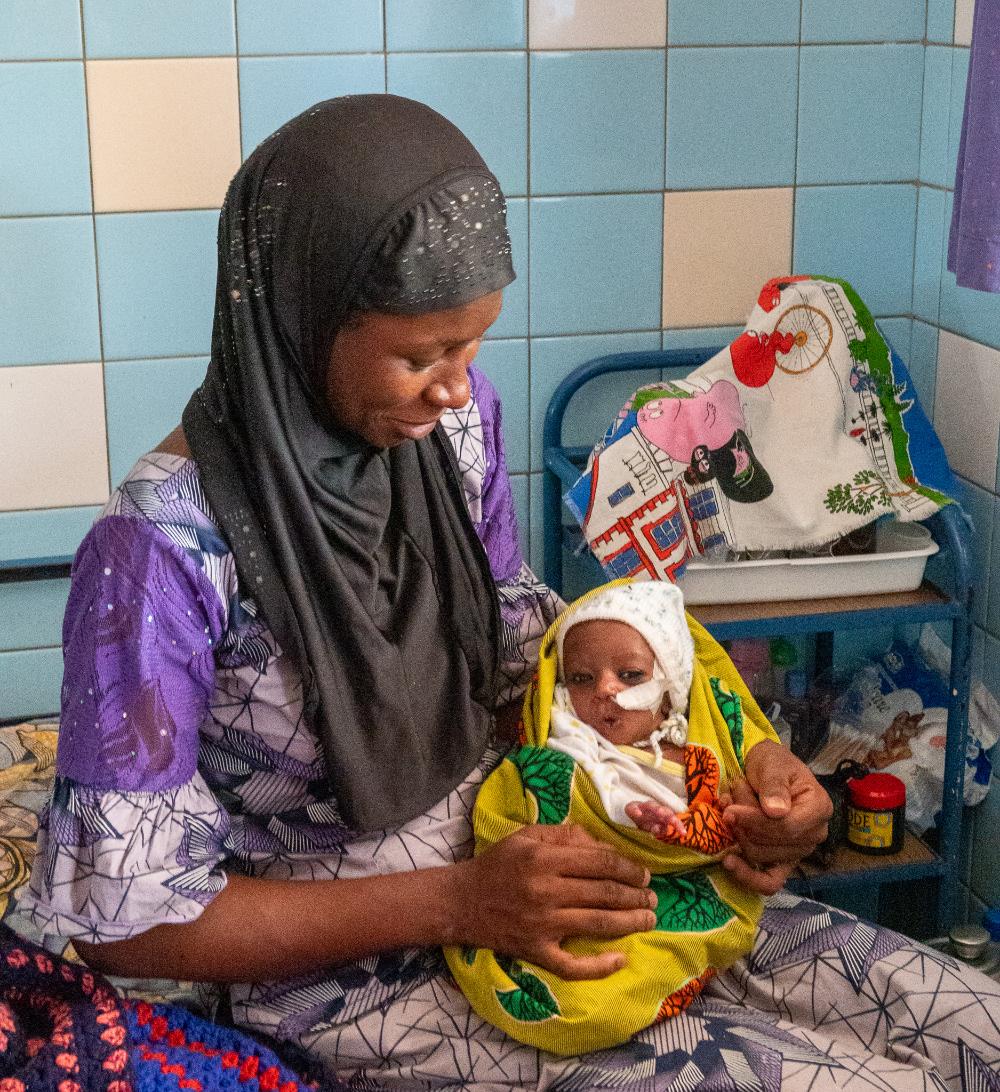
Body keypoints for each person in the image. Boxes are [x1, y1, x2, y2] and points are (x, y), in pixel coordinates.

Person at [15, 95, 1000, 1089]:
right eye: (418, 355)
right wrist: (461, 901)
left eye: (472, 344)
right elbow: (126, 922)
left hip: (580, 865)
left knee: (963, 1026)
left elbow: (532, 655)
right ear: (298, 321)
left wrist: (747, 761)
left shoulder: (454, 437)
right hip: (361, 978)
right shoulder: (160, 556)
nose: (455, 388)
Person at [446, 580, 774, 1055]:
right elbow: (516, 813)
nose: (605, 690)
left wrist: (677, 831)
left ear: (669, 688)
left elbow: (728, 825)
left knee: (619, 981)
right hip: (560, 889)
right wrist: (615, 815)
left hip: (665, 895)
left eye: (631, 675)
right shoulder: (567, 742)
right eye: (581, 678)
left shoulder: (691, 754)